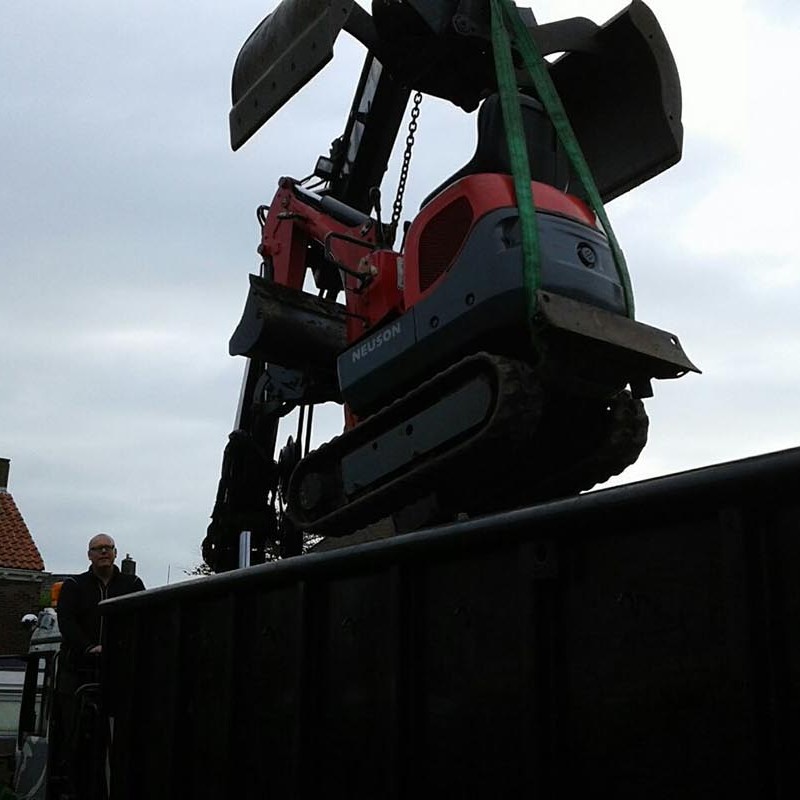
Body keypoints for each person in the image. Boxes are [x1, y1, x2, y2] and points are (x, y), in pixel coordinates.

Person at [54, 534, 144, 798]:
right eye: (98, 549)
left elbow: (142, 617)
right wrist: (87, 648)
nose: (104, 552)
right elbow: (67, 622)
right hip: (79, 673)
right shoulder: (74, 586)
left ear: (116, 553)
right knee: (76, 737)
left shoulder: (133, 584)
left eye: (108, 548)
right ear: (89, 555)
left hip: (119, 672)